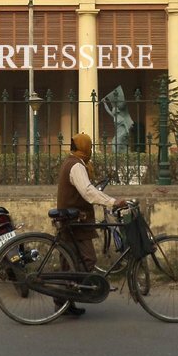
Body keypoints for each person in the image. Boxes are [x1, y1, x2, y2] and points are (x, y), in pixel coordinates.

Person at [56, 132, 129, 316]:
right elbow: (88, 192)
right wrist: (112, 202)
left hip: (74, 219)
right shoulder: (76, 166)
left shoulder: (73, 162)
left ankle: (65, 302)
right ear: (85, 148)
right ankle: (67, 295)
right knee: (87, 259)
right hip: (75, 221)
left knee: (70, 262)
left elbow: (88, 189)